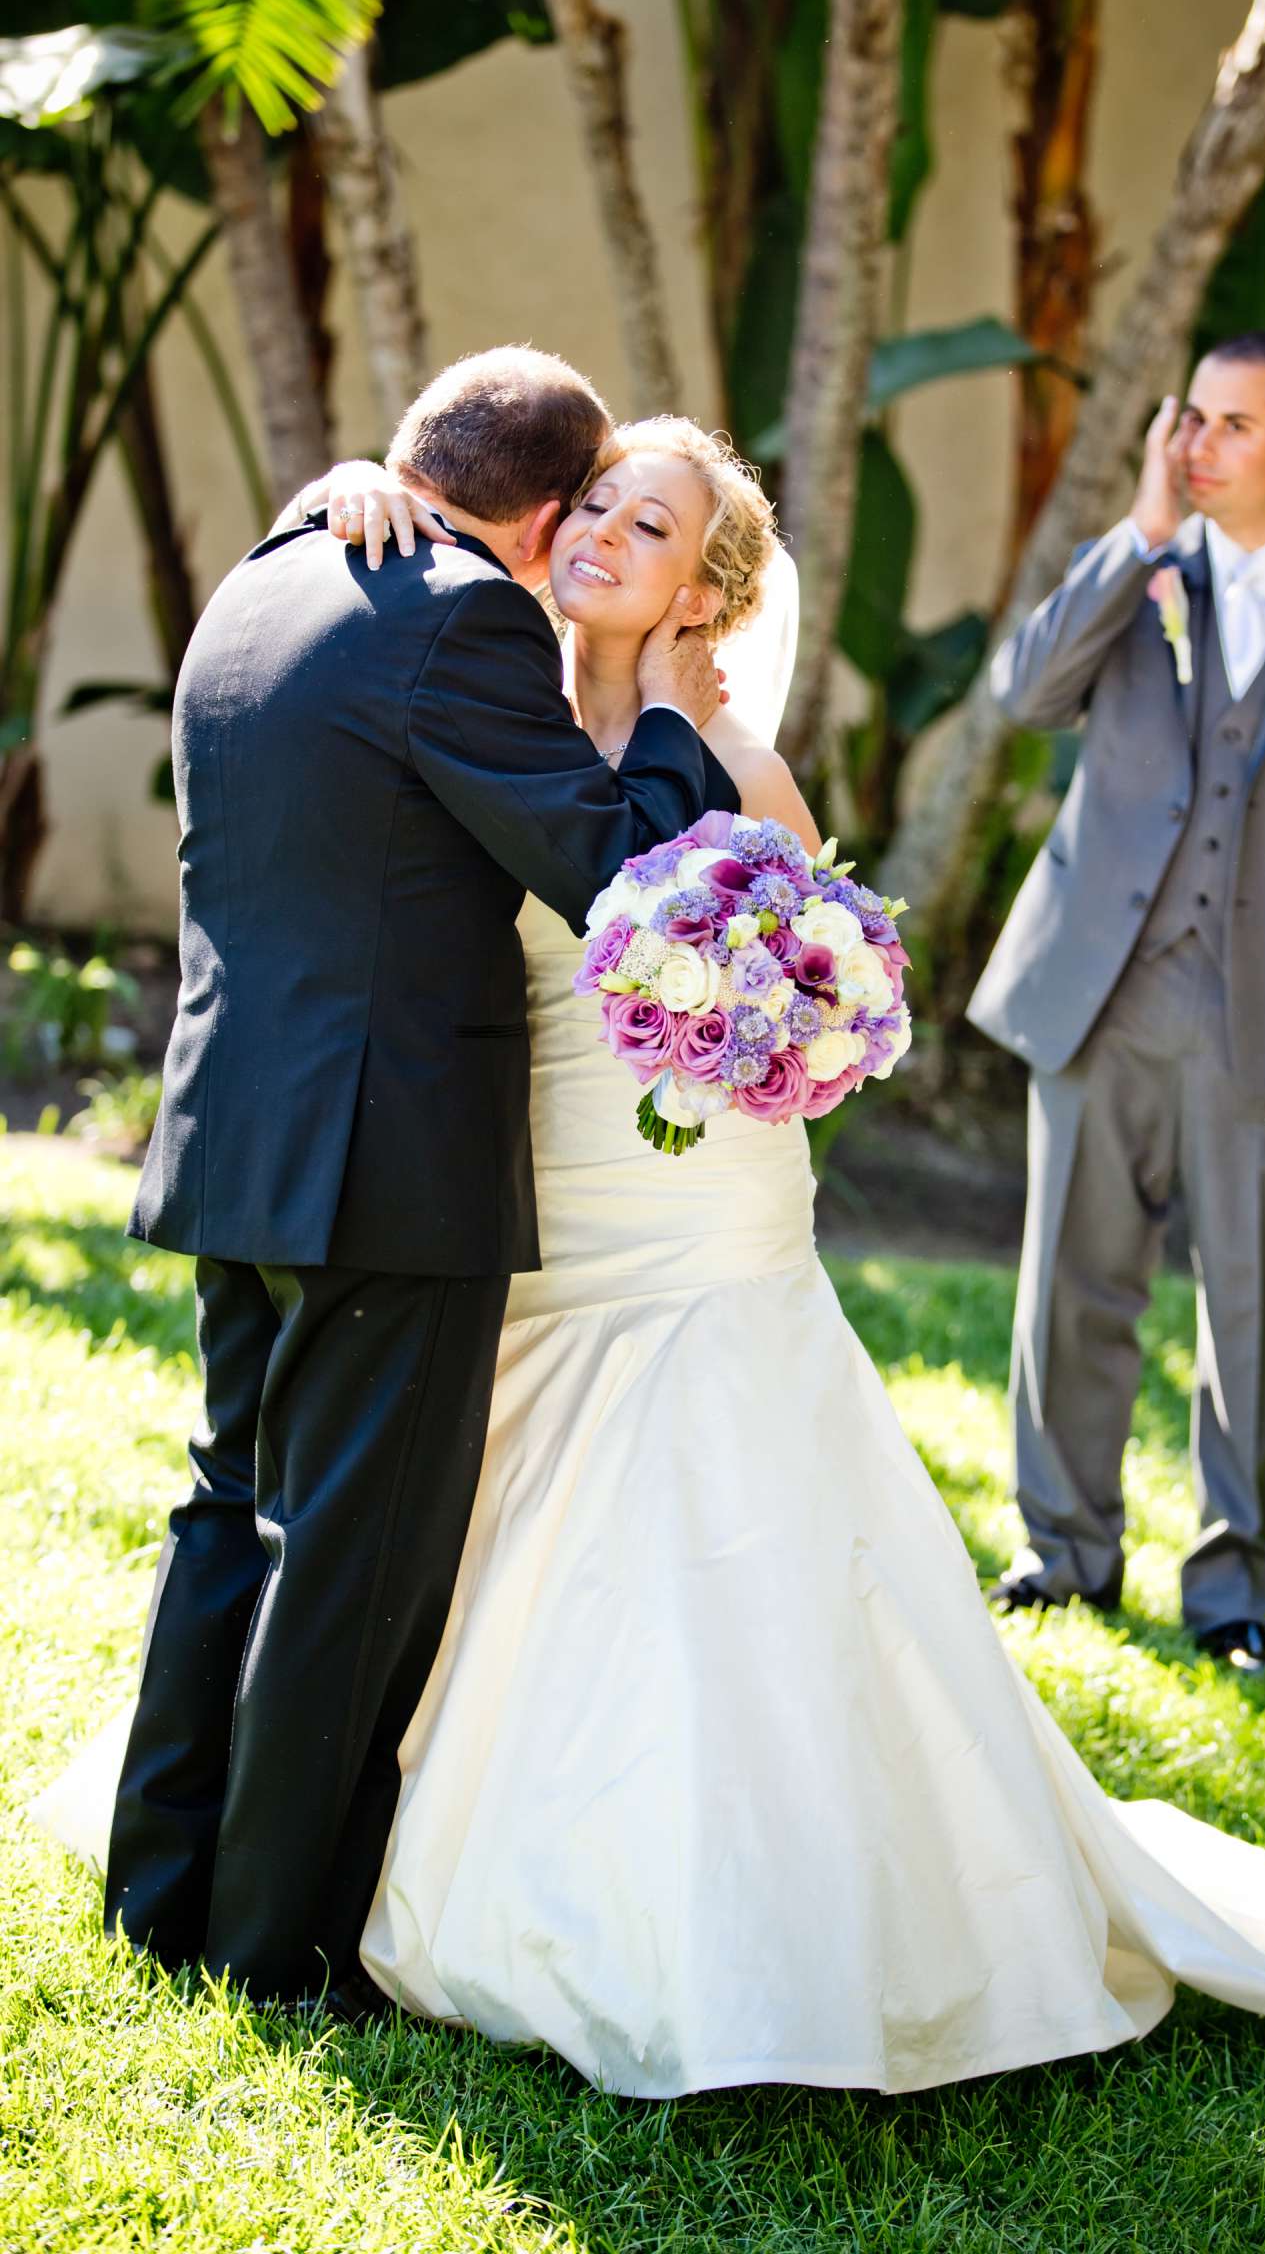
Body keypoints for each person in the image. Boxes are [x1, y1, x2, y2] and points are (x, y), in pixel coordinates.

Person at [36, 405, 1265, 2090]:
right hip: (469, 1190)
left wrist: (744, 1004)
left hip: (639, 1211)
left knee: (442, 1523)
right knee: (368, 1522)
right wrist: (362, 483)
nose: (596, 536)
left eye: (647, 528)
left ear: (707, 592)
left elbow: (806, 987)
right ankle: (301, 1874)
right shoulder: (465, 652)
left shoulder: (723, 756)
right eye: (588, 505)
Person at [94, 348, 739, 2007]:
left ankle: (157, 1896)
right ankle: (278, 1948)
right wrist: (668, 714)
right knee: (353, 1557)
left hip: (239, 1131)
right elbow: (621, 872)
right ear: (539, 517)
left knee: (230, 1505)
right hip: (381, 1162)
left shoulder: (267, 577)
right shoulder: (461, 613)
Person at [969, 333, 1265, 1675]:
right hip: (1105, 990)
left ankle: (1233, 1590)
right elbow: (1025, 696)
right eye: (1193, 423)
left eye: (1235, 426)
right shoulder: (1141, 570)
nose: (1201, 448)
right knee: (1071, 1282)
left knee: (1259, 1307)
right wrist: (1133, 537)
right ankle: (1064, 1551)